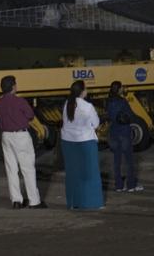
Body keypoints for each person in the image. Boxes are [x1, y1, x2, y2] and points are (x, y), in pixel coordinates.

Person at [0, 75, 45, 209]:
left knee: (11, 169)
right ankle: (34, 201)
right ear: (13, 87)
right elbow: (30, 116)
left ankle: (16, 201)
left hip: (6, 136)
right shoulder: (20, 101)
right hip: (21, 136)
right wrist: (39, 128)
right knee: (28, 168)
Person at [60, 80, 103, 210]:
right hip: (85, 141)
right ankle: (93, 202)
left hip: (67, 141)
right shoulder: (88, 106)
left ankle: (73, 203)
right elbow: (95, 124)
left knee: (72, 172)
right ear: (82, 91)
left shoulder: (67, 104)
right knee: (90, 172)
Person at [106, 81, 141, 193]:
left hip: (114, 132)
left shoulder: (109, 102)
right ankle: (131, 185)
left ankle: (119, 186)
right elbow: (130, 115)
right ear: (119, 89)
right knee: (129, 160)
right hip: (124, 132)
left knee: (117, 160)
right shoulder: (123, 101)